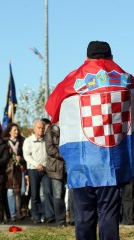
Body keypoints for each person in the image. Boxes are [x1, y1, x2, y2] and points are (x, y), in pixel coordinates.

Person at [45, 41, 134, 239]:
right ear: (111, 57)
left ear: (86, 58)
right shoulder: (127, 80)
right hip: (112, 162)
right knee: (109, 215)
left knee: (84, 216)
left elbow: (52, 110)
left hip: (81, 161)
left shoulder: (71, 81)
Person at [23, 120, 54, 224]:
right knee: (35, 193)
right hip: (33, 169)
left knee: (48, 191)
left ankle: (49, 215)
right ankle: (36, 216)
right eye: (39, 128)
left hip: (45, 170)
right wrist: (37, 165)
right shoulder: (28, 141)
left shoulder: (47, 140)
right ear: (34, 128)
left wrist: (46, 165)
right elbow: (27, 155)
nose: (41, 130)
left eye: (42, 128)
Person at [2, 123, 26, 222]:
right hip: (8, 170)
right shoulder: (4, 142)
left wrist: (21, 158)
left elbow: (27, 154)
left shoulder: (22, 141)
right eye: (14, 130)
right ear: (9, 131)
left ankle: (19, 211)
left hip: (20, 169)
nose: (17, 132)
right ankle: (13, 214)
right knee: (10, 191)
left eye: (17, 130)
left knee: (21, 190)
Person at [45, 123, 66, 227]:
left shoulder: (69, 126)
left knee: (72, 192)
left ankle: (74, 219)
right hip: (56, 167)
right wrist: (64, 155)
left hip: (68, 166)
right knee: (58, 194)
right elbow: (49, 149)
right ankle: (61, 220)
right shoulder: (50, 130)